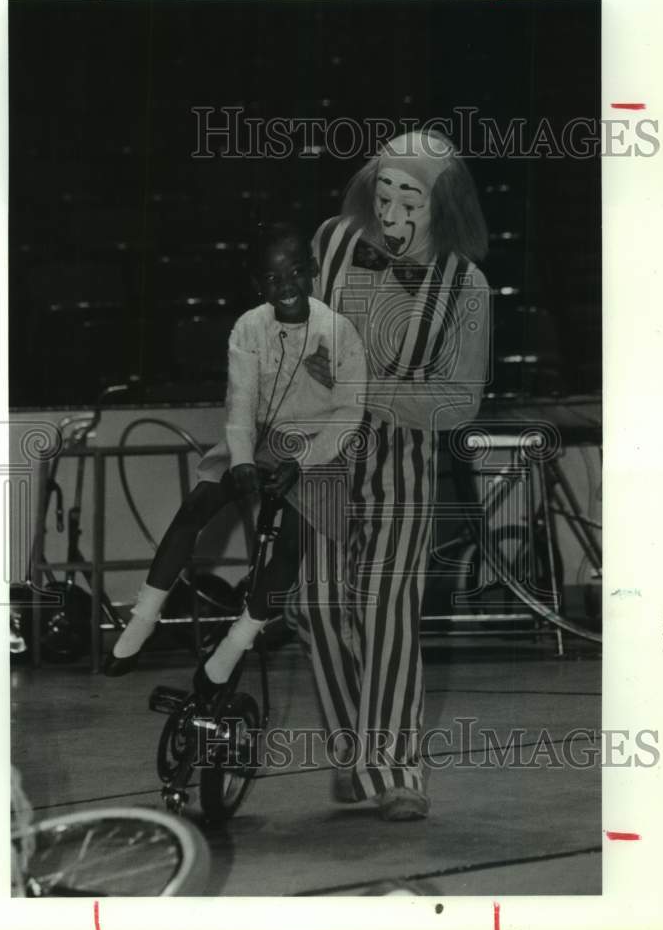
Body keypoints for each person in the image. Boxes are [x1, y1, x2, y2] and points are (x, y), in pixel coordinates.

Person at [296, 128, 490, 821]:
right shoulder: (332, 240)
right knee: (317, 604)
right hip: (320, 451)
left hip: (402, 455)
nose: (392, 208)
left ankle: (397, 772)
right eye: (384, 190)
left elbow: (458, 402)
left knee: (385, 609)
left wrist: (360, 389)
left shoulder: (467, 285)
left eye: (411, 194)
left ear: (445, 202)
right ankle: (355, 753)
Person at [104, 222, 367, 698]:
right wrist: (243, 459)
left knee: (289, 546)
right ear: (258, 284)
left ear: (311, 275)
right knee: (197, 507)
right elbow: (240, 404)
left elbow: (349, 415)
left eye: (293, 274)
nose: (284, 286)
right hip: (259, 436)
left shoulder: (340, 332)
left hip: (318, 446)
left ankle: (232, 646)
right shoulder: (249, 327)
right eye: (271, 278)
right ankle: (142, 620)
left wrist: (303, 464)